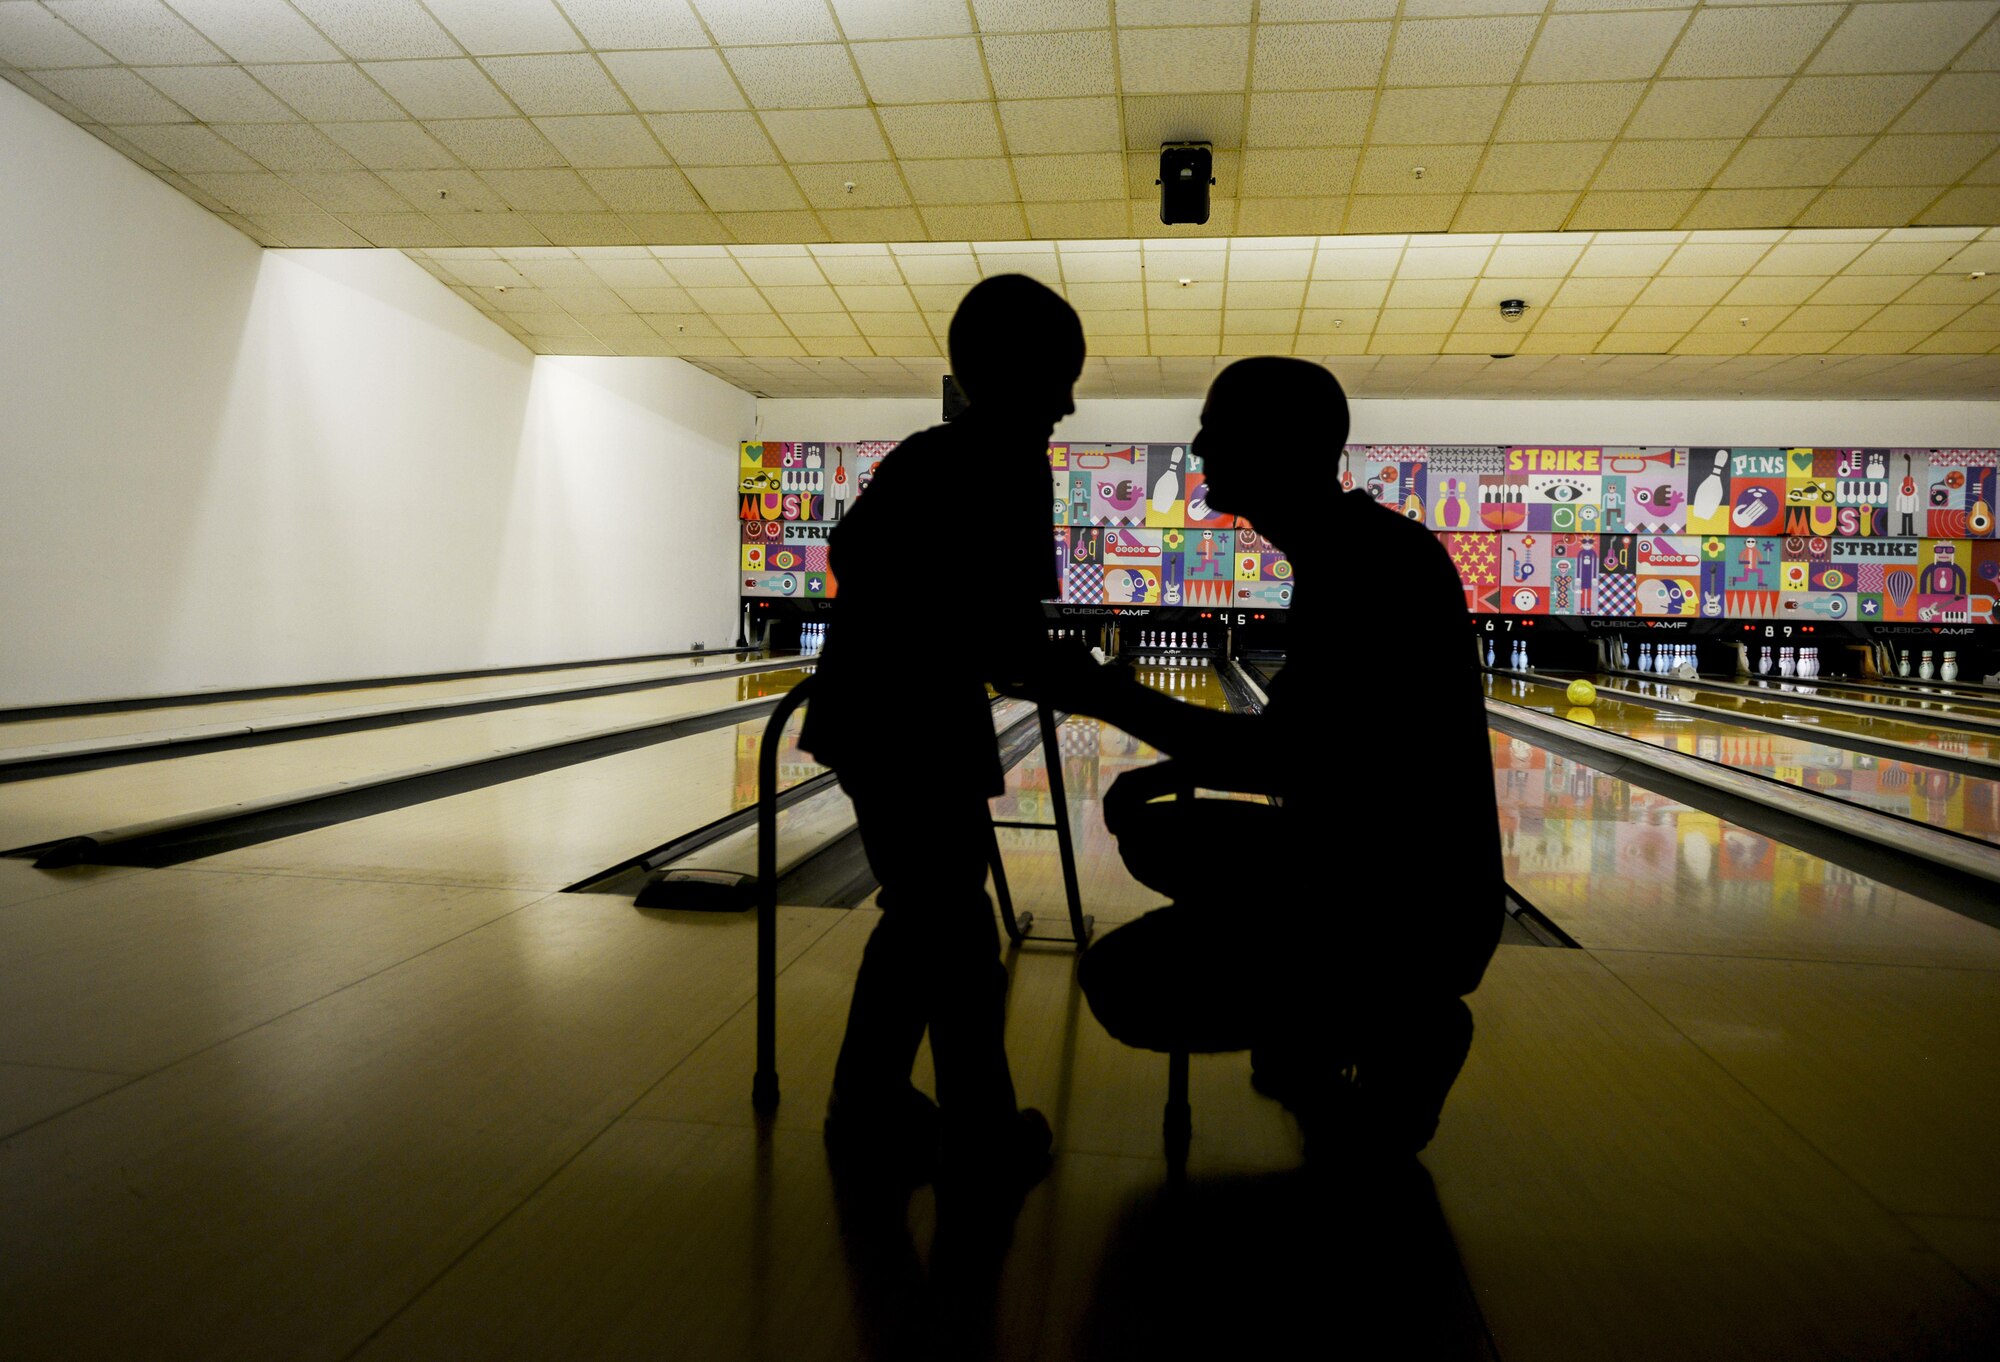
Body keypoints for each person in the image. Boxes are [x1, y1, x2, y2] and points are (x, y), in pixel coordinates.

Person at [1039, 356, 1504, 1155]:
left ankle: (1406, 1026)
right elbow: (1319, 750)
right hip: (1385, 874)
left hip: (1419, 908)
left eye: (1215, 428)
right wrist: (1173, 768)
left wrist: (1104, 693)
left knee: (1125, 981)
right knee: (1156, 835)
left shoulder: (1373, 567)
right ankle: (1327, 1024)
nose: (1195, 444)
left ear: (1278, 444)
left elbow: (1286, 757)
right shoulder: (1349, 552)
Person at [801, 274, 1084, 1193]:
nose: (1069, 404)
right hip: (913, 724)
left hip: (869, 714)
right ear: (1011, 377)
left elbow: (850, 553)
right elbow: (1009, 635)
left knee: (930, 918)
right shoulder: (1012, 464)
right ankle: (973, 1132)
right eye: (1060, 379)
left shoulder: (926, 451)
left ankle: (874, 1101)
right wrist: (1077, 679)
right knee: (952, 929)